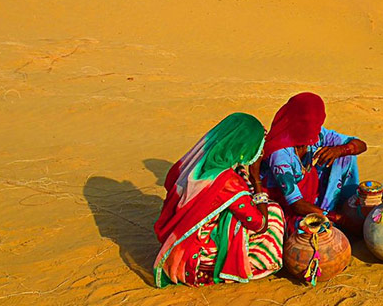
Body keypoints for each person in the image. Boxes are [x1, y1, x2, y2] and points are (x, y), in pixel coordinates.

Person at [153, 113, 285, 287]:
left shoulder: (198, 159)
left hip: (176, 235)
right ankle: (256, 263)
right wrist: (256, 178)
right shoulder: (226, 181)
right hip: (193, 254)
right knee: (273, 214)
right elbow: (259, 224)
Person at [260, 92, 366, 230]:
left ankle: (342, 205)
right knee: (311, 231)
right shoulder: (280, 153)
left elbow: (360, 145)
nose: (315, 126)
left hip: (308, 195)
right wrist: (339, 219)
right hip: (286, 206)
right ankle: (333, 216)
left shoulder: (315, 134)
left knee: (347, 155)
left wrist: (339, 150)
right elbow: (296, 203)